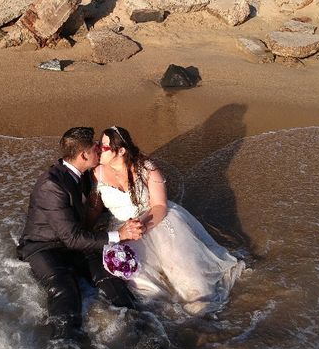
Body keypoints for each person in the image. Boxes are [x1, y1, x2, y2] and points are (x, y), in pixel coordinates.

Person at [17, 127, 183, 349]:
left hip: (77, 241)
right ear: (84, 154)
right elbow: (71, 238)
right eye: (96, 148)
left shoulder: (82, 172)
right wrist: (118, 235)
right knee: (64, 290)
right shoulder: (52, 185)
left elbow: (91, 211)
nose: (100, 150)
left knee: (111, 280)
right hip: (44, 247)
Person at [88, 126, 245, 315]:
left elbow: (160, 206)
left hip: (156, 221)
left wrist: (142, 226)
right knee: (139, 281)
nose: (98, 148)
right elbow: (95, 207)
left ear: (121, 150)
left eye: (104, 147)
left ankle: (203, 312)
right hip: (123, 227)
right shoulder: (98, 173)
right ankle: (166, 317)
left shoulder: (147, 168)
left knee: (189, 279)